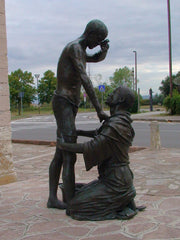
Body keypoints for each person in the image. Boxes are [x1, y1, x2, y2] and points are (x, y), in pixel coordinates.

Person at [47, 19, 109, 209]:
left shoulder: (80, 51)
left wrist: (103, 52)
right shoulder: (74, 48)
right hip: (63, 102)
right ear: (90, 33)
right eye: (98, 40)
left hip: (70, 103)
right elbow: (84, 78)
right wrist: (99, 108)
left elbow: (94, 58)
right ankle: (69, 199)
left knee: (61, 151)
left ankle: (53, 198)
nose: (97, 44)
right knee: (69, 154)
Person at [58, 86, 145, 220]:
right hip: (112, 178)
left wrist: (64, 145)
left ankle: (120, 208)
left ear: (120, 99)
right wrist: (79, 132)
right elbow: (99, 134)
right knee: (79, 192)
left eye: (114, 92)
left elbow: (92, 146)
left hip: (116, 182)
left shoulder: (116, 125)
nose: (110, 93)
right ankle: (124, 200)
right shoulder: (117, 121)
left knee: (74, 207)